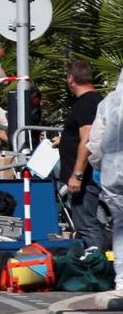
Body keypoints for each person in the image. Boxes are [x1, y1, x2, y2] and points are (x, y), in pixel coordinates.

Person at [55, 60, 103, 249]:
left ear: (70, 79)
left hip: (86, 178)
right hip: (87, 175)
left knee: (86, 225)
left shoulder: (86, 103)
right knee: (85, 223)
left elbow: (88, 139)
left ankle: (96, 269)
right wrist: (65, 140)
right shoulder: (96, 101)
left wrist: (77, 174)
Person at [87, 67, 123, 289]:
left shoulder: (108, 102)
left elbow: (95, 143)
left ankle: (122, 280)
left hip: (113, 173)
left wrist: (100, 165)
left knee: (120, 225)